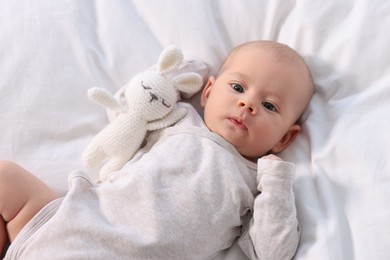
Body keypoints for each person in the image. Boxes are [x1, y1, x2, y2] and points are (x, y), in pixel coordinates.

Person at [0, 40, 314, 259]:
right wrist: (179, 76)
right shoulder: (179, 120)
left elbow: (273, 252)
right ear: (207, 91)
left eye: (269, 105)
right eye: (237, 87)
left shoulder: (254, 183)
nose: (248, 104)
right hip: (74, 221)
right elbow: (128, 106)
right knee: (5, 178)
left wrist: (276, 181)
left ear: (285, 138)